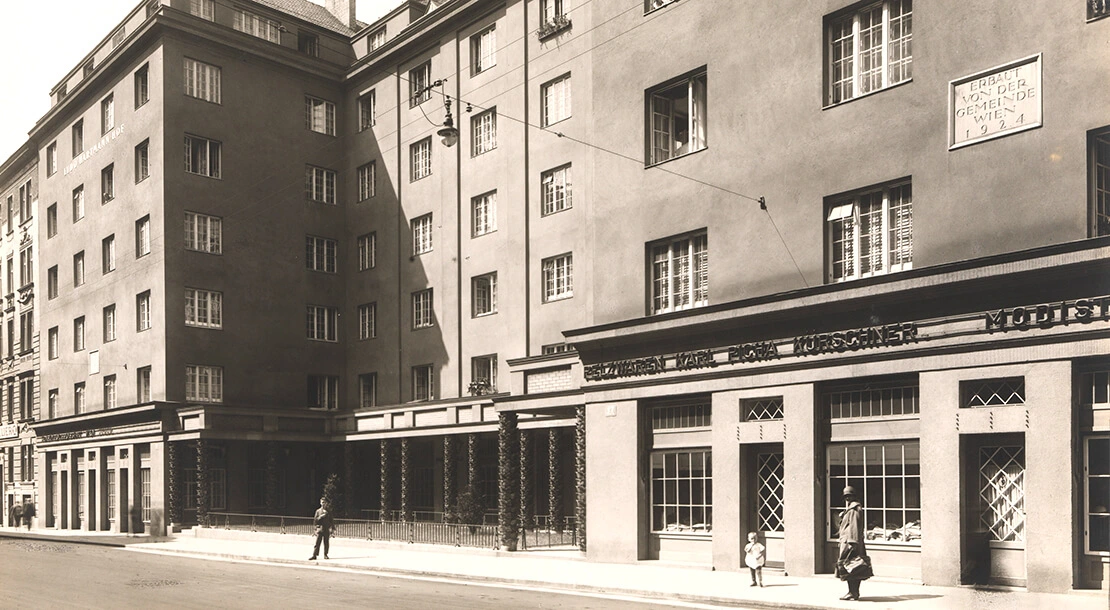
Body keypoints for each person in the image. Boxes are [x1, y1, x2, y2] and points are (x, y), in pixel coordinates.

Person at [836, 486, 870, 601]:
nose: (847, 498)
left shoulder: (854, 509)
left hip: (851, 543)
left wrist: (853, 543)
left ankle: (853, 592)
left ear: (854, 496)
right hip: (850, 542)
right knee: (854, 567)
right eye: (845, 496)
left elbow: (854, 527)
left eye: (849, 495)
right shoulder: (851, 509)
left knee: (851, 567)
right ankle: (853, 592)